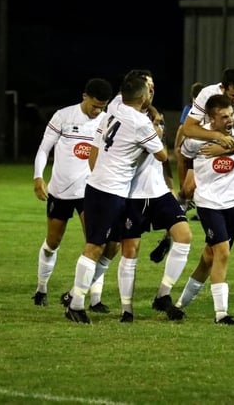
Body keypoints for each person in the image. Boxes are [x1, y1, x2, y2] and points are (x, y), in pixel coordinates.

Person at [65, 73, 167, 324]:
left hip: (101, 186)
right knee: (95, 246)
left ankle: (75, 295)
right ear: (143, 96)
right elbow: (163, 155)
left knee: (110, 247)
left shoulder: (115, 107)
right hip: (110, 191)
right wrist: (156, 129)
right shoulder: (141, 124)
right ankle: (75, 304)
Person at [105, 71, 192, 323]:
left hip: (158, 191)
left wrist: (170, 182)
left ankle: (163, 295)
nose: (151, 92)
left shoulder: (153, 116)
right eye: (147, 87)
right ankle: (127, 310)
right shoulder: (122, 111)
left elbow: (160, 158)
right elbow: (160, 152)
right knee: (129, 250)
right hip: (132, 193)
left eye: (154, 87)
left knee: (184, 236)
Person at [30, 78, 115, 310]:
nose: (98, 110)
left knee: (96, 243)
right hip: (61, 191)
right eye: (95, 105)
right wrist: (38, 176)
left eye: (102, 106)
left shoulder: (107, 121)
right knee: (53, 242)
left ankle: (95, 299)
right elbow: (44, 149)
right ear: (84, 97)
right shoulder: (63, 116)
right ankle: (41, 288)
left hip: (92, 191)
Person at [181, 67, 234, 275]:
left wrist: (226, 147)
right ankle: (170, 234)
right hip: (212, 148)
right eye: (233, 95)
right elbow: (188, 128)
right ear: (223, 88)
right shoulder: (207, 94)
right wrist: (217, 139)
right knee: (186, 190)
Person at [174, 94, 234, 325]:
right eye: (224, 117)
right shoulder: (196, 139)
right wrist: (186, 187)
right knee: (222, 252)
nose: (229, 120)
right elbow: (182, 156)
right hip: (208, 203)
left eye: (231, 114)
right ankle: (221, 314)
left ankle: (178, 305)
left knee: (208, 257)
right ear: (211, 118)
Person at [149, 80, 203, 264]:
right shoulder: (192, 110)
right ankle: (169, 236)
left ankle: (168, 237)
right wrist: (178, 147)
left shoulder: (211, 110)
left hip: (204, 158)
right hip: (196, 158)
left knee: (187, 196)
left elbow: (182, 129)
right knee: (187, 194)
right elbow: (182, 129)